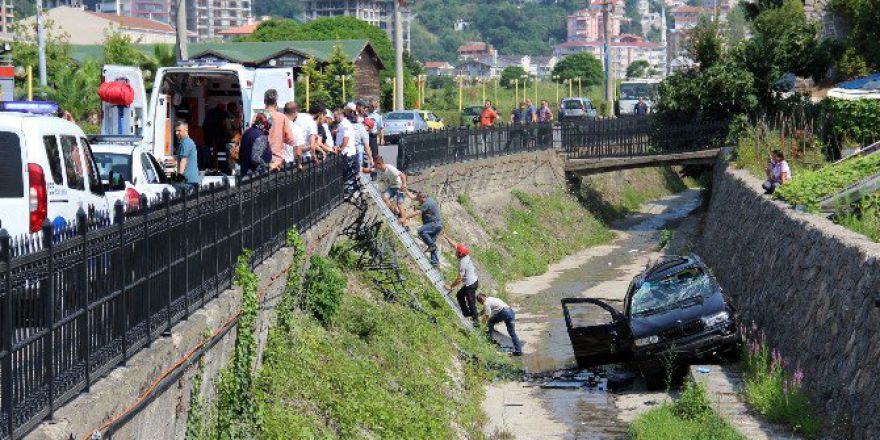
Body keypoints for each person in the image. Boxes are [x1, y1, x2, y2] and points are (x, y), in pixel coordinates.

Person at [445, 243, 479, 326]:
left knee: (471, 303)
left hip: (471, 284)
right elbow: (456, 245)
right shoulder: (465, 255)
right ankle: (466, 314)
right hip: (472, 282)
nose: (455, 252)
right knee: (460, 295)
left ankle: (476, 321)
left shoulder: (463, 263)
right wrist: (446, 237)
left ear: (460, 254)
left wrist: (450, 286)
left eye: (457, 252)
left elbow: (459, 279)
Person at [405, 191, 443, 267]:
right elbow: (414, 198)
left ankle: (432, 245)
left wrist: (404, 217)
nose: (418, 201)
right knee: (431, 242)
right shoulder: (428, 199)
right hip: (438, 225)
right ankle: (435, 261)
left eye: (419, 199)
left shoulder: (427, 203)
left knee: (421, 231)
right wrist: (405, 191)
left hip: (433, 224)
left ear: (422, 198)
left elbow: (417, 213)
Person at [263, 89, 294, 171]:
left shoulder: (258, 116)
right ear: (276, 103)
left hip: (261, 160)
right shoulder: (282, 117)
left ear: (264, 101)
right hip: (276, 161)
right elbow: (290, 139)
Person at [372, 155, 408, 223]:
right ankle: (394, 213)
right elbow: (370, 170)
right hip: (391, 187)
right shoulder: (379, 170)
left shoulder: (390, 168)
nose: (374, 166)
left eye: (375, 165)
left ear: (379, 164)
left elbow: (402, 175)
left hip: (399, 186)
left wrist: (404, 184)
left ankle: (405, 223)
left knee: (399, 204)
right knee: (385, 198)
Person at [174, 121, 200, 187]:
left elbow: (183, 161)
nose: (176, 133)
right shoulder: (186, 142)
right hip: (190, 180)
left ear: (186, 130)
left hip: (187, 181)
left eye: (179, 130)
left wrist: (179, 176)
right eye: (176, 131)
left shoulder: (185, 142)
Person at [282, 102, 305, 168]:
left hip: (275, 165)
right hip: (289, 165)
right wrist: (299, 164)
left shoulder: (274, 125)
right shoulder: (296, 129)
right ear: (295, 112)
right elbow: (298, 151)